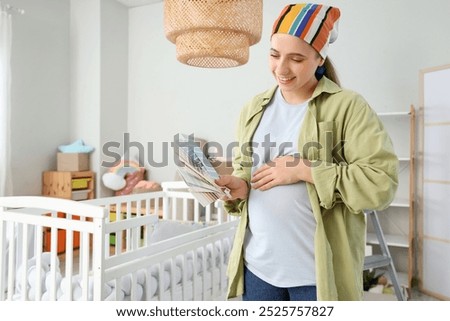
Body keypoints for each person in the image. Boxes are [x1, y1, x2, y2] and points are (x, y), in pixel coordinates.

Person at [215, 3, 399, 301]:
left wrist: (304, 169)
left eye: (297, 58)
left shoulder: (347, 107)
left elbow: (381, 183)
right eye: (274, 55)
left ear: (319, 57)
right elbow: (245, 169)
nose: (282, 69)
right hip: (258, 267)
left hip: (315, 275)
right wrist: (240, 186)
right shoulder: (254, 108)